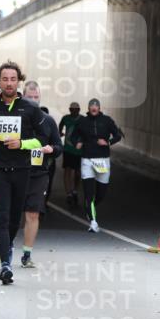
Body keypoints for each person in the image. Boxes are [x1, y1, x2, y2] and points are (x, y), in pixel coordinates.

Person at [0, 61, 48, 284]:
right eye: (4, 79)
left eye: (13, 79)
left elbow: (44, 138)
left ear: (18, 81)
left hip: (22, 169)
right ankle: (5, 264)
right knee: (2, 216)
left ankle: (8, 248)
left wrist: (23, 144)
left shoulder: (30, 108)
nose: (9, 83)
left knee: (15, 217)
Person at [21, 82, 62, 269]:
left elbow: (59, 147)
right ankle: (5, 252)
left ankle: (27, 254)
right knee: (10, 214)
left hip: (39, 173)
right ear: (22, 97)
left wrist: (50, 149)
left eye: (36, 97)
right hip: (15, 172)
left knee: (32, 213)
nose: (33, 100)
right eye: (29, 97)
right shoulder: (14, 119)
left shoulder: (48, 121)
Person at [70, 98, 123, 232]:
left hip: (103, 160)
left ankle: (90, 206)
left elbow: (117, 135)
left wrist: (108, 142)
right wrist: (77, 142)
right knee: (88, 193)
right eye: (91, 106)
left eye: (96, 106)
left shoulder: (107, 120)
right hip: (87, 159)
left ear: (99, 108)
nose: (94, 108)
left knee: (101, 194)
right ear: (88, 108)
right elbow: (73, 136)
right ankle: (93, 222)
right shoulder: (82, 121)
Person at [58, 101, 83, 206]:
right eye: (71, 109)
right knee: (67, 170)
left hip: (79, 150)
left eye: (75, 110)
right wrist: (60, 133)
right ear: (69, 110)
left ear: (79, 110)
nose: (73, 111)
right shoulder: (66, 118)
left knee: (78, 172)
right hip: (68, 149)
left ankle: (75, 191)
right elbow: (60, 126)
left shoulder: (83, 119)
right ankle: (69, 193)